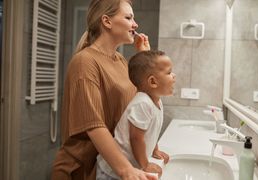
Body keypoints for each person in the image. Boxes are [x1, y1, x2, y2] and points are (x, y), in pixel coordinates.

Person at [51, 0, 156, 179]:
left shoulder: (121, 61)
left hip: (109, 168)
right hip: (83, 170)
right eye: (129, 17)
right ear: (107, 21)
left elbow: (143, 103)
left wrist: (144, 57)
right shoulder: (84, 61)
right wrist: (126, 170)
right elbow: (94, 125)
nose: (135, 24)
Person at [96, 50, 175, 180]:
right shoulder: (142, 103)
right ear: (153, 82)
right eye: (169, 72)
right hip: (111, 172)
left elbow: (150, 132)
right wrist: (145, 164)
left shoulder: (157, 101)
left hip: (129, 168)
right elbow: (136, 138)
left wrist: (155, 150)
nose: (174, 76)